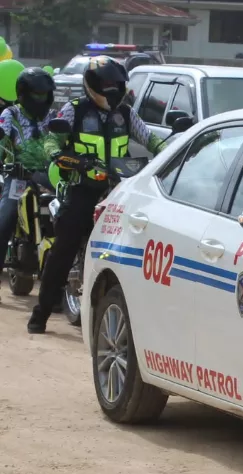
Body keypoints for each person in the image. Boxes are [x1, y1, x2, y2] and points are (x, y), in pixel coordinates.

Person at [28, 55, 167, 334]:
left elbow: (151, 138)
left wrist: (171, 154)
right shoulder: (75, 109)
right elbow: (51, 139)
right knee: (64, 248)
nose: (113, 89)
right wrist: (60, 155)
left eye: (117, 84)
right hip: (83, 189)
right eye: (107, 84)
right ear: (93, 84)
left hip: (117, 191)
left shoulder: (126, 114)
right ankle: (40, 314)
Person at [0, 67, 55, 301]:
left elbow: (62, 139)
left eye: (45, 94)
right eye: (37, 94)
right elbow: (2, 135)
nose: (41, 99)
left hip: (47, 178)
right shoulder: (10, 114)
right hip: (18, 178)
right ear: (23, 93)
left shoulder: (53, 116)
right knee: (4, 221)